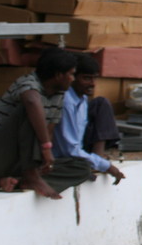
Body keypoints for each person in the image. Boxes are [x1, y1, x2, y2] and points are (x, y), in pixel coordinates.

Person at [0, 47, 92, 198]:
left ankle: (18, 181)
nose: (72, 79)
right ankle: (31, 177)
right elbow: (31, 101)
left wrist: (45, 162)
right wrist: (45, 148)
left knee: (82, 168)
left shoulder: (59, 94)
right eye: (70, 74)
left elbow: (49, 130)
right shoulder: (27, 83)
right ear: (58, 75)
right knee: (31, 111)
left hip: (20, 163)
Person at [54, 55, 125, 183]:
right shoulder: (66, 102)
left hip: (78, 149)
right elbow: (70, 149)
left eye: (94, 78)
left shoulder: (83, 98)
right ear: (72, 78)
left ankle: (97, 157)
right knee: (82, 169)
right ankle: (94, 162)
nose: (92, 84)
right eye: (86, 78)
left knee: (101, 103)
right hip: (63, 156)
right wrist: (106, 166)